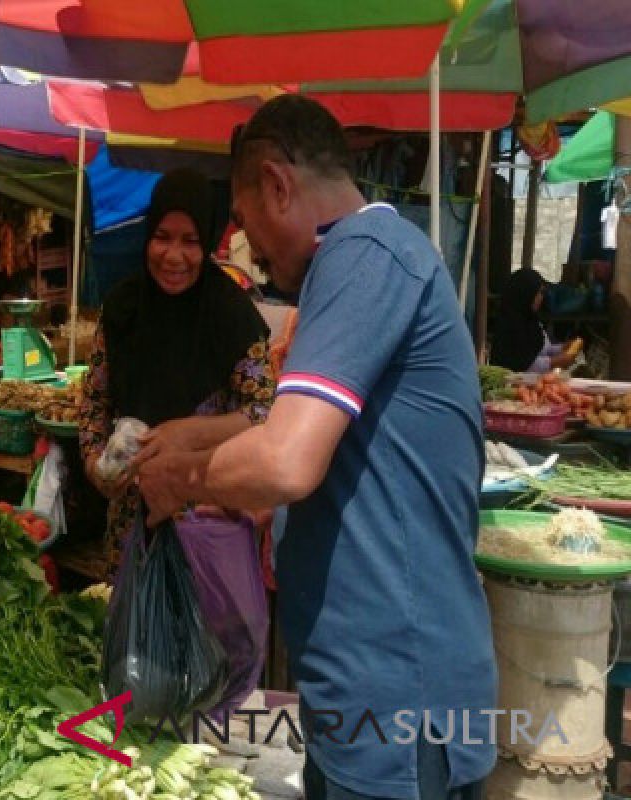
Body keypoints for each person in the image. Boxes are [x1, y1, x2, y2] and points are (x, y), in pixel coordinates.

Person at [135, 96, 496, 800]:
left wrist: (185, 477)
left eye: (249, 225)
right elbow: (298, 428)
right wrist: (196, 435)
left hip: (399, 704)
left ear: (277, 184)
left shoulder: (365, 254)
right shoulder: (368, 260)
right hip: (365, 695)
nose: (254, 250)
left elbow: (284, 460)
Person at [78, 169, 274, 578]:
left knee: (201, 640)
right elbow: (94, 403)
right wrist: (97, 466)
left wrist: (186, 433)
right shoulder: (122, 309)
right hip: (129, 526)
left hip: (205, 521)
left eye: (190, 241)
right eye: (162, 237)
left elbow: (267, 413)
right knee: (133, 636)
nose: (173, 256)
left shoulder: (233, 317)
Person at [490, 267, 582, 373]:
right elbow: (520, 364)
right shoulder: (509, 327)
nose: (540, 297)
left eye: (542, 293)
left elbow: (544, 350)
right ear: (524, 293)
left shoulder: (532, 321)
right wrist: (554, 362)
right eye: (538, 292)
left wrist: (564, 347)